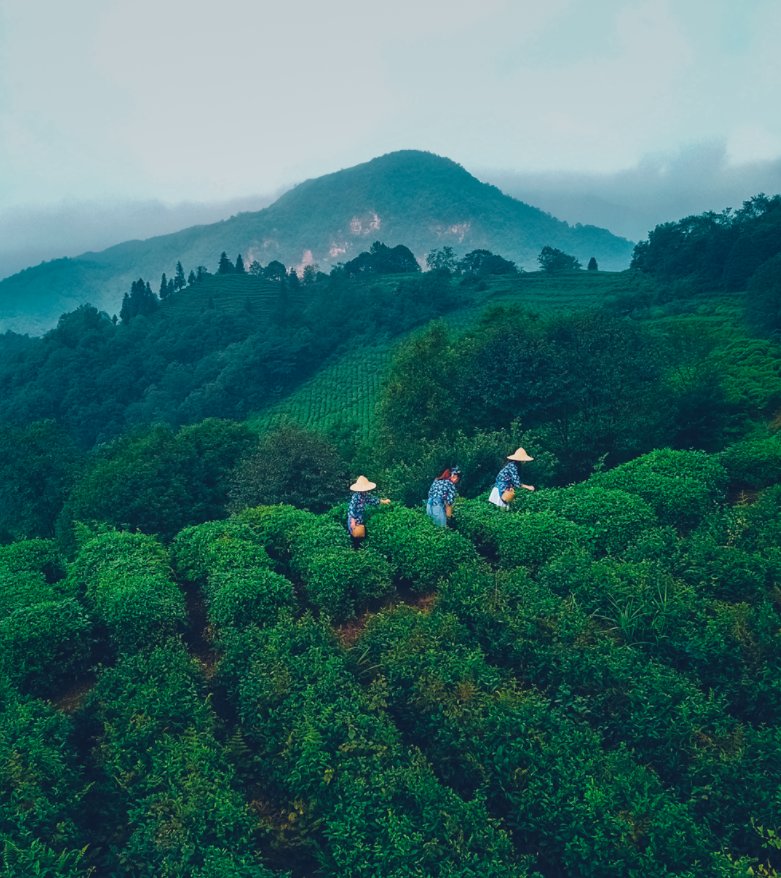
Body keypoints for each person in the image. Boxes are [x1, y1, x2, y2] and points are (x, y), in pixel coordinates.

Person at [347, 475, 390, 547]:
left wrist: (383, 501)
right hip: (353, 519)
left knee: (361, 535)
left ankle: (360, 551)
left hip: (360, 518)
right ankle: (354, 551)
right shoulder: (355, 497)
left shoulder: (365, 495)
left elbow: (373, 500)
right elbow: (352, 509)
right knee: (354, 536)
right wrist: (353, 521)